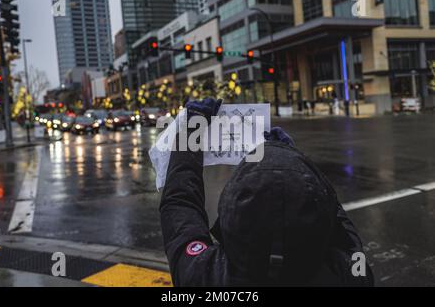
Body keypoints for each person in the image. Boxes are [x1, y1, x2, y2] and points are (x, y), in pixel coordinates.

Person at [160, 98, 374, 286]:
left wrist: (192, 130)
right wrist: (291, 157)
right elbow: (340, 222)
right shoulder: (352, 274)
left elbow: (180, 203)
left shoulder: (204, 275)